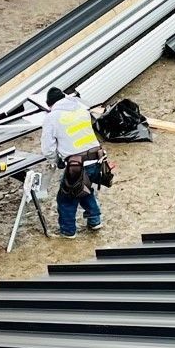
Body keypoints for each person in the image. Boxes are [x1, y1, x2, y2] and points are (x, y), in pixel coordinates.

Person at [41, 84, 103, 238]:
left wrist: (56, 160)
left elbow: (48, 148)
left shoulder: (51, 117)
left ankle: (68, 231)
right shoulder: (81, 109)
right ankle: (95, 221)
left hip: (77, 165)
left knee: (66, 198)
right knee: (83, 188)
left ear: (50, 104)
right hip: (97, 160)